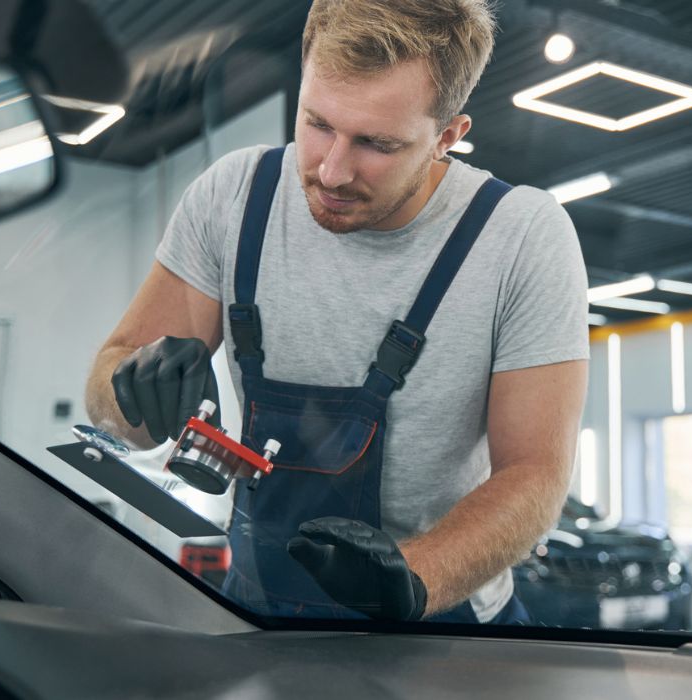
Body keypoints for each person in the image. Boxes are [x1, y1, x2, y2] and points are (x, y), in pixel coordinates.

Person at [83, 0, 588, 625]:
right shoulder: (233, 198)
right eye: (317, 123)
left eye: (376, 143)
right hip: (257, 609)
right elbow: (108, 389)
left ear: (447, 136)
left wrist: (416, 577)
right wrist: (131, 392)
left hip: (441, 619)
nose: (331, 170)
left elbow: (535, 474)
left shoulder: (520, 237)